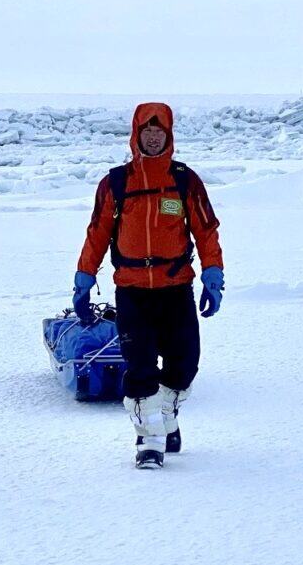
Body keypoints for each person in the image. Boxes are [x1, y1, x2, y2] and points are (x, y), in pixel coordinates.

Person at [73, 102, 224, 469]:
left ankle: (165, 419)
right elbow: (97, 233)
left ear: (168, 136)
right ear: (135, 135)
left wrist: (212, 274)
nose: (153, 137)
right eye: (146, 131)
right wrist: (84, 277)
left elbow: (205, 231)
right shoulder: (116, 183)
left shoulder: (185, 180)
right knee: (140, 367)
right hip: (132, 290)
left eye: (160, 132)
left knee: (184, 363)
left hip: (176, 288)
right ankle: (150, 441)